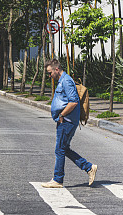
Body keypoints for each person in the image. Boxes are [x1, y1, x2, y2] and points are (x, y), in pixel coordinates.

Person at [41, 59, 97, 188]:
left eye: (50, 73)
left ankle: (58, 179)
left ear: (56, 69)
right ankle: (89, 168)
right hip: (66, 120)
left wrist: (61, 115)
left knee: (59, 150)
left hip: (67, 121)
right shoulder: (63, 81)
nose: (49, 76)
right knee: (63, 149)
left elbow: (73, 101)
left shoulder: (66, 81)